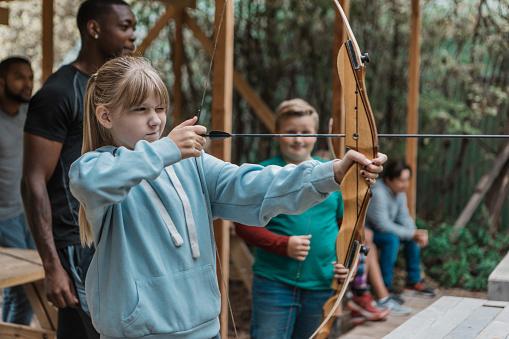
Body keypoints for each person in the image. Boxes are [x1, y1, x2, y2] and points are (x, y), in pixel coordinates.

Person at [68, 57, 386, 339]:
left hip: (204, 329)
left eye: (160, 108)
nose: (155, 120)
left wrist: (332, 173)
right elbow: (95, 182)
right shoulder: (95, 168)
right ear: (105, 116)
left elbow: (253, 185)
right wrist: (167, 149)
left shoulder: (192, 164)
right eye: (141, 110)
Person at [20, 0, 136, 337]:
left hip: (111, 232)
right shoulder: (58, 92)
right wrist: (52, 264)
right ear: (94, 29)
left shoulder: (119, 92)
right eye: (125, 26)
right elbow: (33, 182)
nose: (133, 35)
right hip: (76, 243)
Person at [233, 98, 389, 338]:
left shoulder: (334, 172)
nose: (298, 139)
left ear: (316, 135)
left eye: (306, 132)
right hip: (274, 284)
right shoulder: (262, 172)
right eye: (290, 132)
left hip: (323, 284)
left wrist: (346, 263)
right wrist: (283, 245)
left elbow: (346, 226)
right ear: (277, 135)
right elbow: (242, 224)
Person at [365, 160, 435, 298]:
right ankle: (385, 286)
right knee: (392, 240)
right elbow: (382, 224)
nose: (405, 184)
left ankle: (413, 281)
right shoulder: (378, 193)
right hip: (370, 232)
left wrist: (416, 233)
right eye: (401, 180)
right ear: (388, 180)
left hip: (384, 230)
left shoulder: (399, 192)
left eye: (407, 180)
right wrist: (412, 233)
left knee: (411, 238)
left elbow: (404, 217)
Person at [0, 56, 35, 325]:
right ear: (2, 83)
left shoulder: (27, 113)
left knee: (22, 289)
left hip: (26, 212)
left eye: (30, 77)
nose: (28, 83)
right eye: (19, 77)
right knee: (25, 290)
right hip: (4, 217)